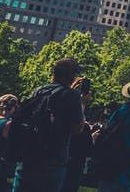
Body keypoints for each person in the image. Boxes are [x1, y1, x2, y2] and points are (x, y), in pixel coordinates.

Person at [13, 57, 85, 192]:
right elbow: (77, 129)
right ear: (71, 75)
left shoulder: (39, 91)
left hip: (28, 157)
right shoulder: (72, 95)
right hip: (52, 160)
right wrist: (82, 104)